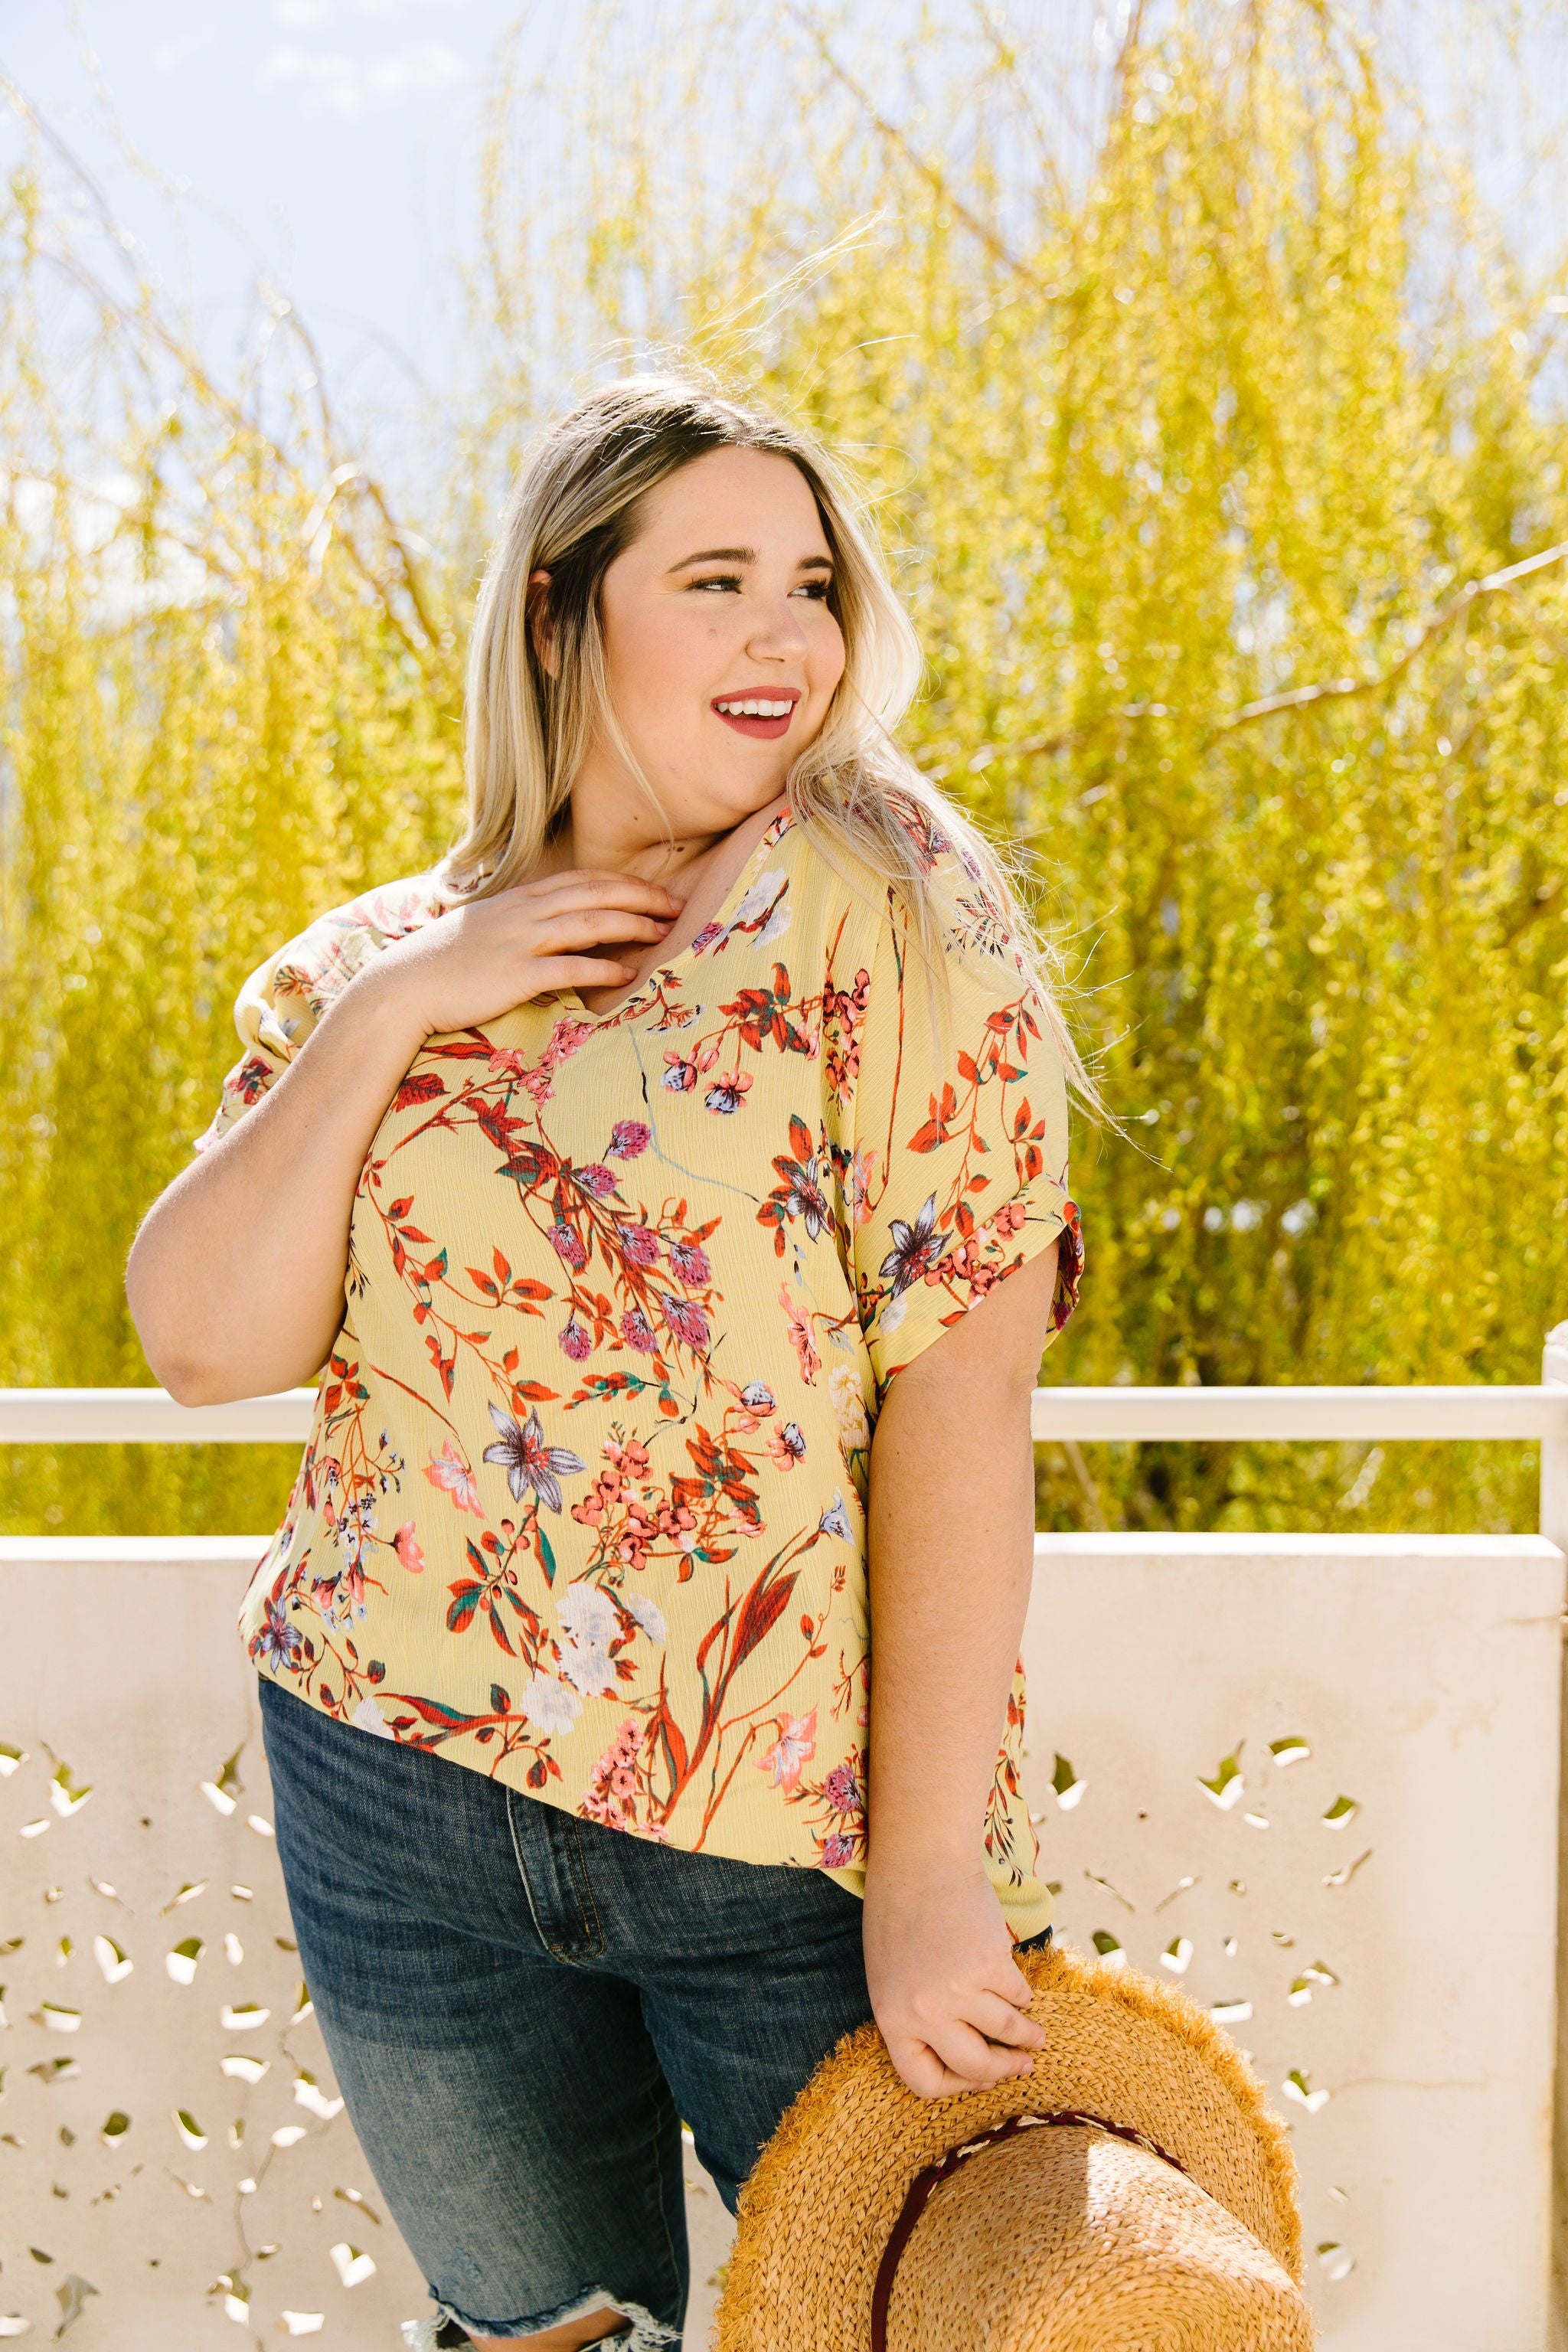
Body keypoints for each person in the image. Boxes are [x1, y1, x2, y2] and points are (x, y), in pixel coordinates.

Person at [126, 370, 1087, 2351]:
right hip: (398, 1793)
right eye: (714, 577)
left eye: (810, 585)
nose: (783, 636)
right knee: (543, 2339)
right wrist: (404, 1002)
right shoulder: (360, 967)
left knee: (929, 2322)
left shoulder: (891, 898)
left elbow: (962, 1392)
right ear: (562, 615)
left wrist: (922, 1873)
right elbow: (203, 1342)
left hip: (789, 1841)